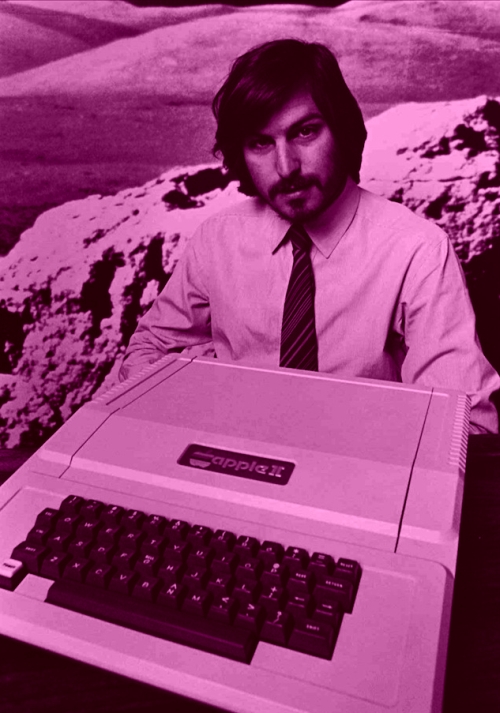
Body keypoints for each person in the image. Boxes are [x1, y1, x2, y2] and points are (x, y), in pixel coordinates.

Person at [120, 38, 500, 433]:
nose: (286, 167)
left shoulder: (417, 250)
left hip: (360, 460)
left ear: (342, 129)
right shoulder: (217, 241)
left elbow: (466, 424)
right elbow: (151, 346)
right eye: (260, 143)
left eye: (305, 132)